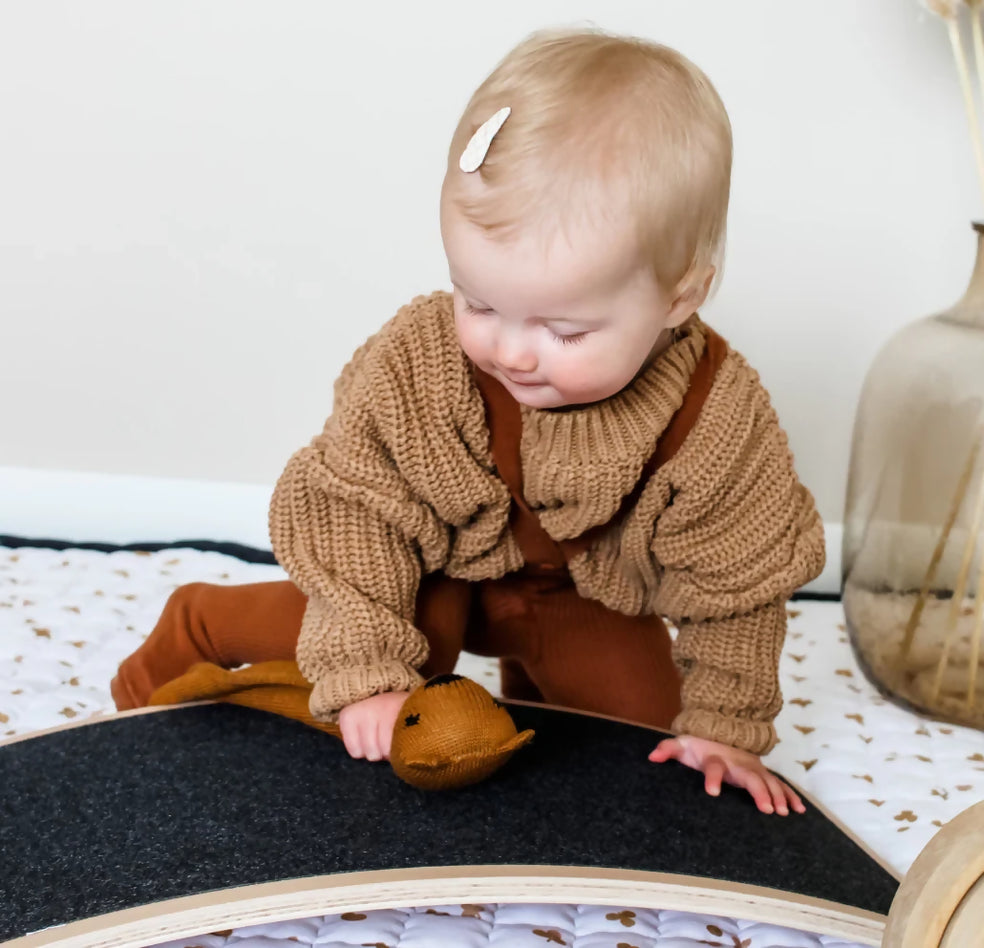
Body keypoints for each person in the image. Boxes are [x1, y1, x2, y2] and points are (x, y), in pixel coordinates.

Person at [112, 27, 825, 816]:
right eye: (478, 302)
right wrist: (368, 675)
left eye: (565, 331)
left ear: (680, 297)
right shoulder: (421, 363)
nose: (512, 351)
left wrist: (725, 727)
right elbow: (356, 517)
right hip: (422, 571)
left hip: (576, 599)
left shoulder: (717, 415)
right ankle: (203, 624)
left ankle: (533, 685)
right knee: (388, 645)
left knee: (645, 755)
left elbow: (738, 582)